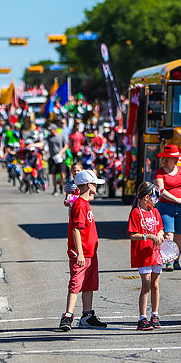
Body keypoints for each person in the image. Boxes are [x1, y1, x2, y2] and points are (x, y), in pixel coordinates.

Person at [59, 170, 107, 332]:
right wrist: (79, 252)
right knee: (76, 283)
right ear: (89, 185)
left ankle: (87, 315)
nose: (96, 187)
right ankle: (67, 315)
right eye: (94, 184)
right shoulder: (80, 204)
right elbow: (76, 230)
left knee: (89, 284)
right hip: (82, 253)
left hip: (90, 253)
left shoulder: (85, 203)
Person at [128, 182, 164, 330]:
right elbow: (132, 235)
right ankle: (142, 318)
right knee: (146, 286)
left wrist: (160, 235)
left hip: (156, 253)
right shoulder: (136, 213)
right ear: (146, 197)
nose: (156, 199)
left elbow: (161, 228)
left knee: (155, 285)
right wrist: (148, 236)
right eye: (154, 196)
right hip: (143, 254)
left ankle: (155, 315)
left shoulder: (155, 212)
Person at [153, 145, 181, 272]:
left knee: (179, 235)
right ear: (166, 159)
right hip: (166, 206)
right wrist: (176, 199)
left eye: (177, 157)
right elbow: (160, 190)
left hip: (180, 208)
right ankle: (168, 260)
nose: (177, 159)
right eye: (174, 158)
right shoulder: (160, 172)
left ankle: (176, 259)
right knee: (168, 234)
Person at [47, 126, 69, 196]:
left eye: (51, 130)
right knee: (54, 174)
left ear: (55, 129)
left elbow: (66, 145)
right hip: (53, 158)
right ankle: (55, 189)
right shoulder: (49, 137)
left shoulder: (61, 136)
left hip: (61, 157)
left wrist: (61, 152)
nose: (50, 131)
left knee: (62, 173)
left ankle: (61, 186)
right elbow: (42, 143)